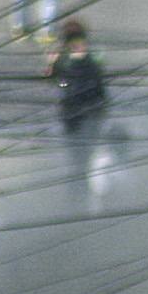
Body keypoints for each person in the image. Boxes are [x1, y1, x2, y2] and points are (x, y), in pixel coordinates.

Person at [46, 14, 110, 197]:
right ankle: (79, 189)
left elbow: (98, 77)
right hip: (74, 112)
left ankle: (83, 188)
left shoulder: (90, 56)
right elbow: (53, 79)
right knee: (78, 155)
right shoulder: (64, 58)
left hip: (88, 110)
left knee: (85, 153)